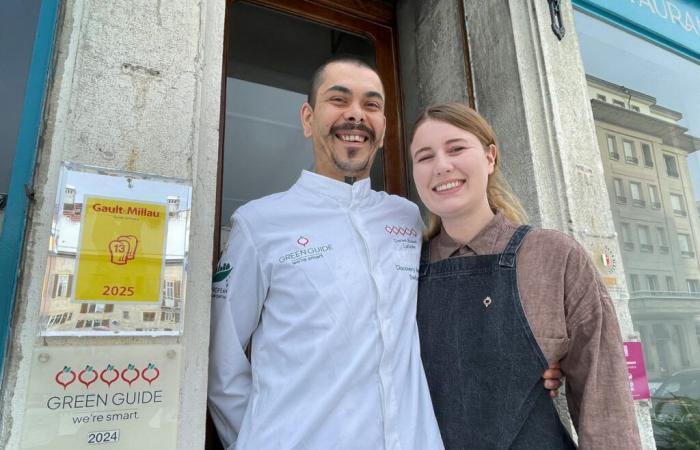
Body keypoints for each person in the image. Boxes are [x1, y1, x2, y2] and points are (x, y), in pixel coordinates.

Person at [208, 57, 444, 450]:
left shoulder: (407, 218)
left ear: (383, 129)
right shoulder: (258, 224)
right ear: (307, 118)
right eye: (339, 99)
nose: (356, 115)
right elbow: (223, 365)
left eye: (372, 105)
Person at [409, 103, 642, 449]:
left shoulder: (554, 256)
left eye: (456, 148)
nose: (442, 166)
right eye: (425, 157)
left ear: (490, 158)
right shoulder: (404, 270)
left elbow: (604, 400)